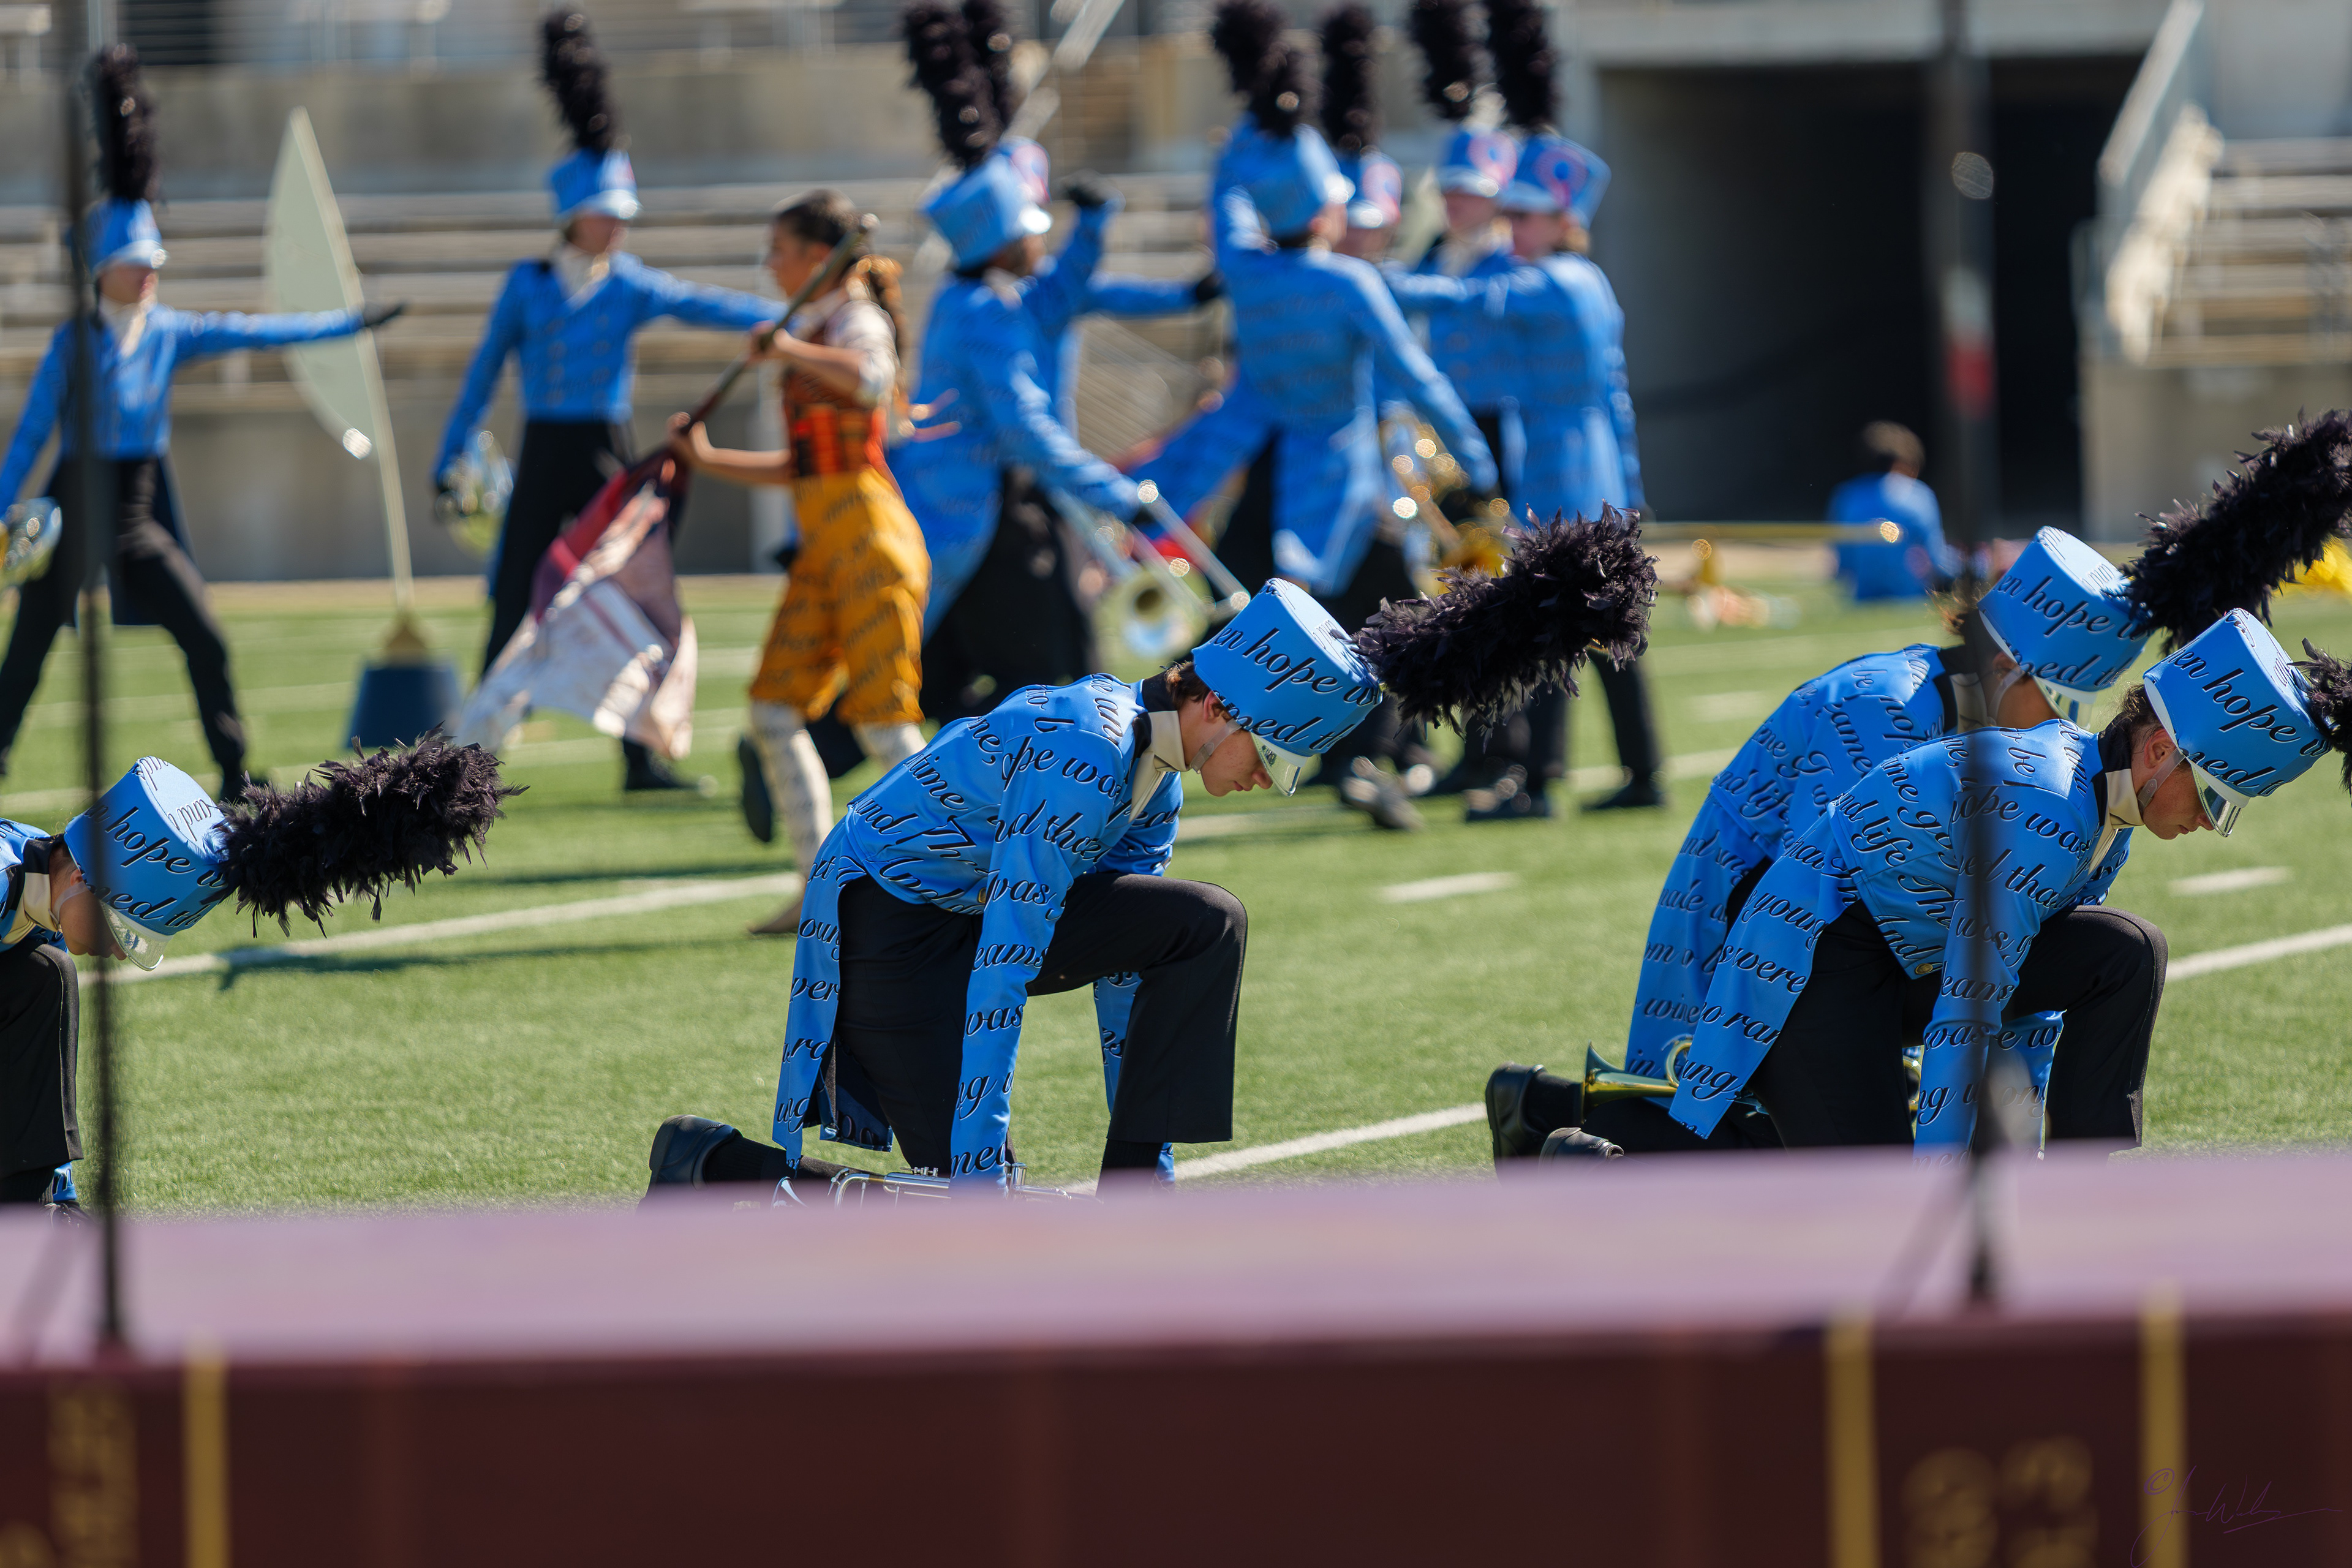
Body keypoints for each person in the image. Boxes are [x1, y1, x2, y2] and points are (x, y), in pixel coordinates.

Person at [643, 516, 1654, 1199]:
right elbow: (1003, 964)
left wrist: (1147, 1175)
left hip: (964, 922)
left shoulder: (1159, 776)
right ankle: (717, 1167)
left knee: (1201, 923)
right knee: (976, 1214)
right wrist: (982, 1158)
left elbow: (1133, 971)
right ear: (1219, 709)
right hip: (889, 935)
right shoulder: (1084, 759)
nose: (1265, 782)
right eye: (1272, 756)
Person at [1485, 412, 2352, 1157]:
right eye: (2062, 700)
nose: (2067, 723)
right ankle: (1574, 1136)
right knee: (1810, 1159)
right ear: (2012, 665)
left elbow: (2020, 990)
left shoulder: (2090, 808)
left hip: (1886, 946)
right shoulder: (1889, 710)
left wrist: (2021, 1146)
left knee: (2120, 952)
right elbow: (1810, 889)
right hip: (1779, 931)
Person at [1129, 0, 1498, 828]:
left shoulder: (1247, 268)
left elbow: (1229, 198)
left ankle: (1200, 741)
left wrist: (1252, 137)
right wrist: (1475, 463)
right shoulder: (1349, 281)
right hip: (1342, 475)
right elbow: (1419, 378)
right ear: (1325, 210)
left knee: (1242, 615)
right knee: (1383, 620)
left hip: (1261, 459)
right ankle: (1367, 756)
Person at [0, 47, 402, 798]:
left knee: (205, 635)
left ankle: (235, 774)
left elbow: (262, 331)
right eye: (136, 260)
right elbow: (29, 436)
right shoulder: (72, 342)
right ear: (101, 268)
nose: (151, 270)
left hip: (136, 510)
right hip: (73, 503)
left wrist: (348, 324)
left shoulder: (172, 331)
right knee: (27, 650)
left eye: (154, 257)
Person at [432, 10, 781, 793]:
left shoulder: (630, 282)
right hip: (544, 447)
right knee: (514, 594)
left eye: (625, 214)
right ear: (572, 214)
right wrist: (452, 449)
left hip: (605, 449)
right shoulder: (527, 285)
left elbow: (700, 303)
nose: (620, 225)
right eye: (608, 212)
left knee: (628, 593)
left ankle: (639, 758)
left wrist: (776, 323)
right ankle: (468, 763)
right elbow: (483, 373)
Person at [1, 744, 513, 1218]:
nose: (117, 950)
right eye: (119, 927)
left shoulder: (48, 901)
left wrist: (58, 1194)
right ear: (81, 879)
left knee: (46, 975)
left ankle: (34, 1205)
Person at [889, 4, 1177, 723]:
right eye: (1030, 233)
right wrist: (1116, 493)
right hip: (981, 509)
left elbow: (1070, 290)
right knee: (1045, 671)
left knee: (966, 675)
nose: (1039, 245)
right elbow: (1023, 428)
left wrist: (1098, 227)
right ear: (999, 241)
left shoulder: (974, 297)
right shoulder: (987, 313)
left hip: (984, 503)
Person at [665, 190, 930, 938]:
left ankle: (949, 885)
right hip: (825, 548)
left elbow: (872, 380)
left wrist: (786, 351)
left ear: (819, 257)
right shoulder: (818, 328)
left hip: (870, 543)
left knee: (885, 722)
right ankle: (822, 889)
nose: (769, 263)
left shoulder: (854, 322)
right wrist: (709, 460)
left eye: (779, 249)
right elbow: (804, 466)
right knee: (775, 711)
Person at [1830, 421, 1957, 601]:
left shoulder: (1847, 496)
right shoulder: (1919, 495)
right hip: (1909, 596)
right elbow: (1937, 559)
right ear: (1901, 462)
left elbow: (1844, 562)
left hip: (1863, 596)